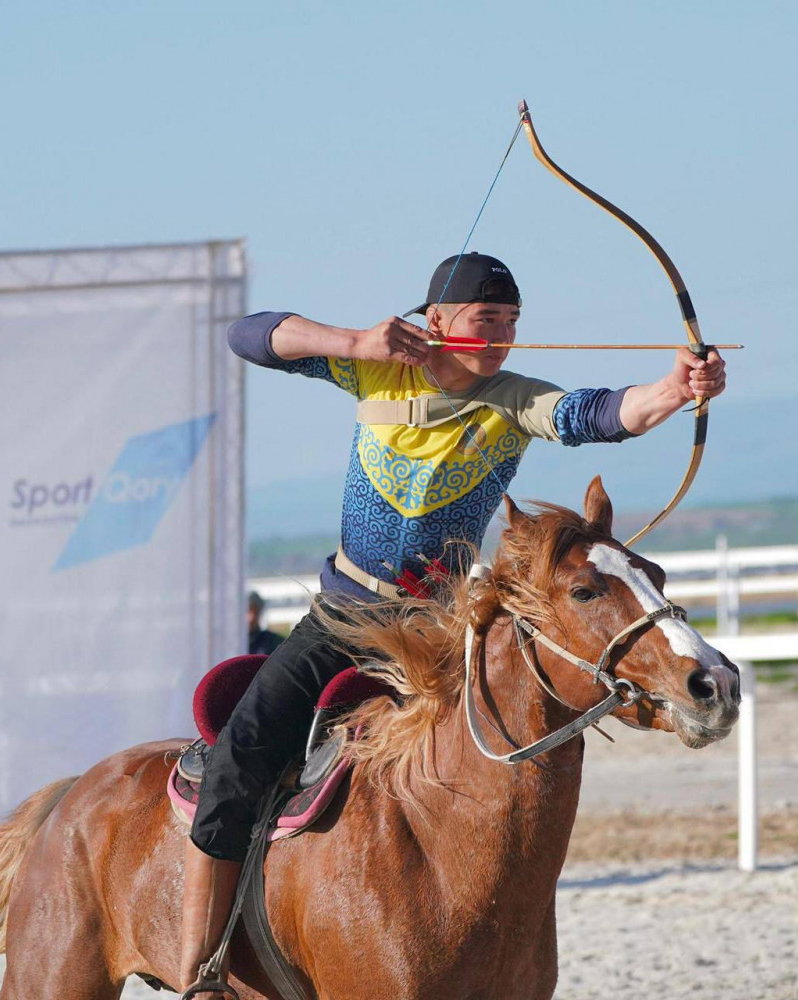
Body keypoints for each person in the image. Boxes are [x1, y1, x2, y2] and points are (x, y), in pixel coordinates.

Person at [177, 252, 727, 994]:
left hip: (438, 635)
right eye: (484, 319)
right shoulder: (374, 371)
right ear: (435, 321)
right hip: (344, 617)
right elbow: (246, 336)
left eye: (509, 322)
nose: (499, 334)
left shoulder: (515, 399)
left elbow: (597, 414)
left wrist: (671, 389)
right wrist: (353, 342)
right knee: (240, 756)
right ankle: (202, 969)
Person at [247, 591, 284, 656]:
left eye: (255, 612)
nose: (251, 617)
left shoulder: (273, 642)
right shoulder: (228, 645)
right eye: (248, 611)